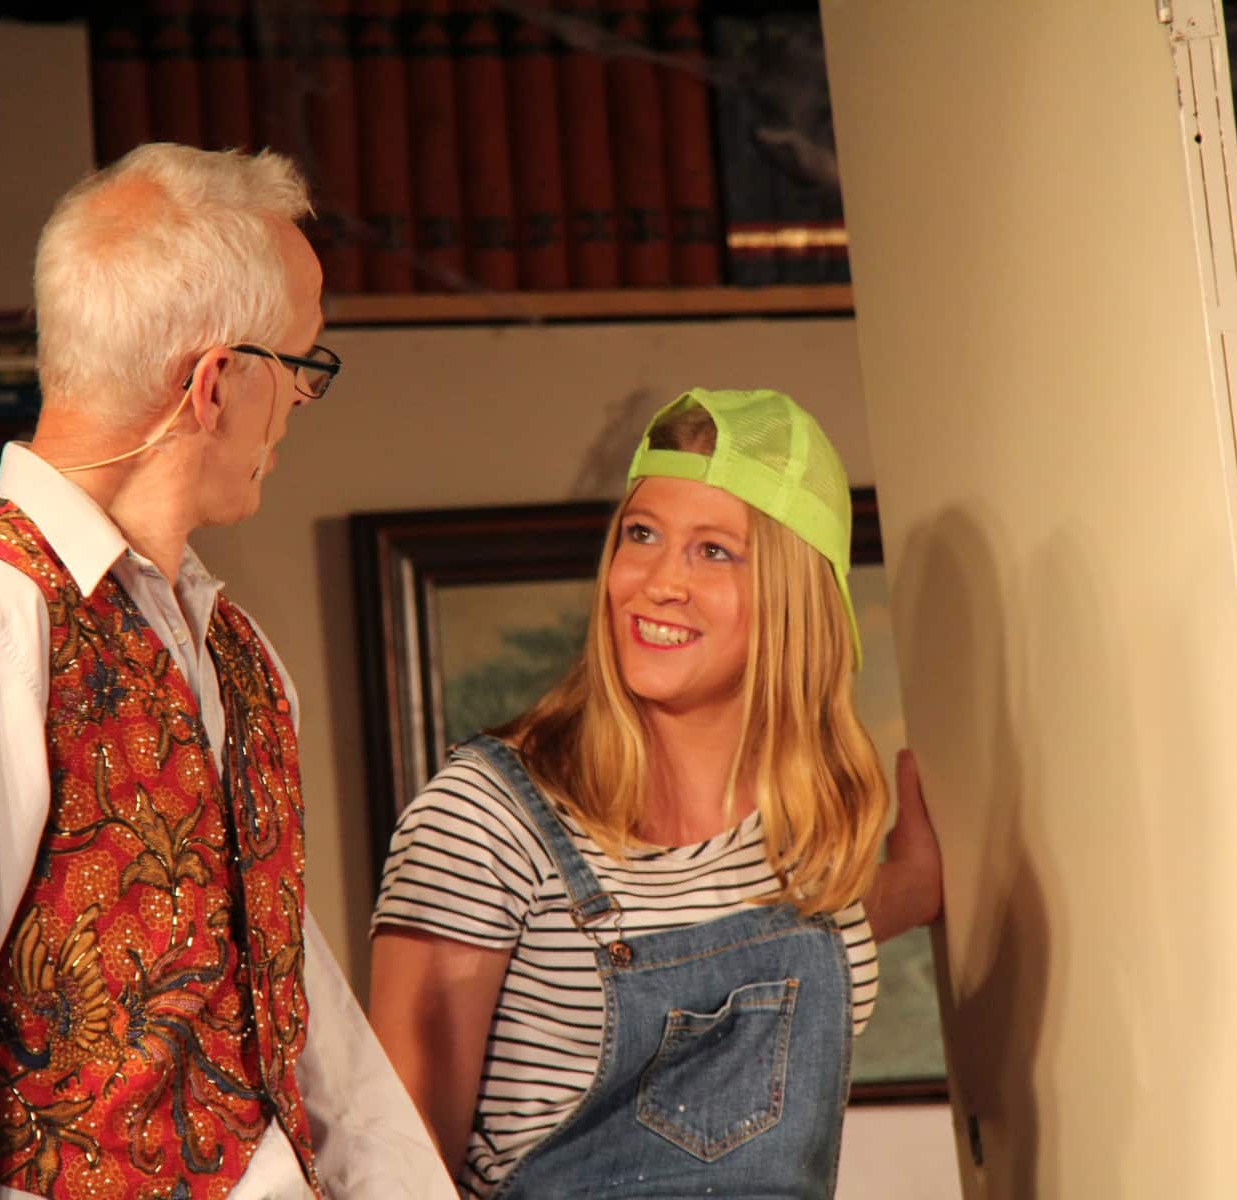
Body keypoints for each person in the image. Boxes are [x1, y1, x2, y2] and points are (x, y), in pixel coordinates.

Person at [0, 144, 453, 1200]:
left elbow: (293, 1006)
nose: (300, 403)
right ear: (216, 383)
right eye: (301, 365)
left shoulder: (235, 650)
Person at [368, 388, 944, 1198]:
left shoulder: (811, 833)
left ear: (794, 595)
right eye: (642, 535)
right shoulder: (483, 818)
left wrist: (918, 884)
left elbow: (805, 928)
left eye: (714, 551)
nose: (660, 582)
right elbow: (394, 1171)